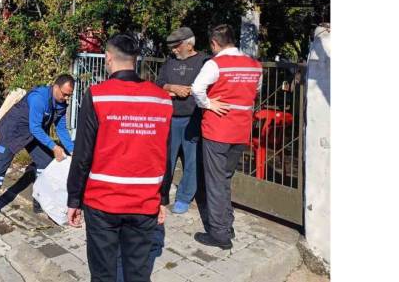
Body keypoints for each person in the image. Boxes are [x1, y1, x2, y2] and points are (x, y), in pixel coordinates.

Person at [66, 33, 173, 282]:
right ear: (135, 60)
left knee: (103, 275)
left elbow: (82, 154)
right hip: (144, 201)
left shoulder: (98, 95)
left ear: (108, 58)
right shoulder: (162, 98)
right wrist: (162, 198)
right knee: (137, 273)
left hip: (103, 201)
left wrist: (74, 198)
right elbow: (165, 154)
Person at [190, 24, 262, 250]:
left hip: (217, 129)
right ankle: (226, 223)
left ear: (214, 43)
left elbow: (196, 89)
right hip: (241, 130)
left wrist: (210, 103)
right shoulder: (254, 65)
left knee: (215, 181)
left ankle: (219, 233)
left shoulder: (215, 64)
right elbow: (255, 91)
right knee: (225, 178)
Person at [0, 74, 76, 225]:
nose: (66, 98)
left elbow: (61, 128)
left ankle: (39, 200)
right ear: (55, 87)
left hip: (33, 135)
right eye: (64, 94)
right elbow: (35, 127)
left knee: (45, 164)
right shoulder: (39, 98)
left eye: (69, 95)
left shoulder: (61, 104)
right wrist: (54, 146)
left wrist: (72, 149)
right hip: (14, 132)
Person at [155, 27, 209, 214]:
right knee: (165, 159)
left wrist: (191, 90)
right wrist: (172, 87)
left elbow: (210, 86)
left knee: (192, 160)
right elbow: (159, 83)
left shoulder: (204, 61)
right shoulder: (169, 62)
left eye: (177, 46)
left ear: (189, 44)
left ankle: (185, 197)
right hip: (170, 118)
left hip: (193, 117)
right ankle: (161, 196)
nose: (174, 50)